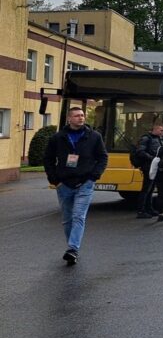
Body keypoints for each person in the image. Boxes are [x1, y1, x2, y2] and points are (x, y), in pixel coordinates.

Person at [43, 106, 108, 266]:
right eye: (77, 115)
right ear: (69, 119)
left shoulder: (94, 136)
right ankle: (72, 249)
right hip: (64, 183)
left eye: (82, 115)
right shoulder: (58, 138)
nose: (81, 118)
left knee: (79, 216)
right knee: (67, 219)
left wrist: (93, 176)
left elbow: (103, 157)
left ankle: (72, 249)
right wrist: (54, 180)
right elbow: (48, 159)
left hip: (85, 183)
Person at [134, 119, 163, 218]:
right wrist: (152, 158)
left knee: (151, 189)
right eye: (161, 130)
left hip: (154, 166)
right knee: (146, 189)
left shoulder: (159, 139)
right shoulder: (146, 138)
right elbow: (140, 152)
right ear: (155, 129)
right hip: (148, 167)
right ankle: (141, 211)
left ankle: (149, 208)